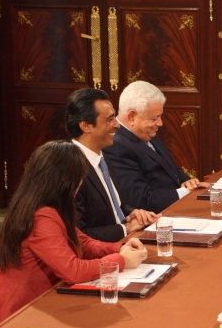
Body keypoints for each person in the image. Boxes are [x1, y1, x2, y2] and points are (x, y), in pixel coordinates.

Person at [0, 141, 148, 328]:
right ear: (64, 181)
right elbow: (72, 271)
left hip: (39, 303)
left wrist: (119, 248)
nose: (81, 182)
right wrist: (119, 261)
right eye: (79, 177)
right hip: (14, 315)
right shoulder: (41, 216)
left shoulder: (49, 205)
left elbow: (82, 242)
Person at [65, 88, 159, 242]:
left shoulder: (103, 157)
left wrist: (132, 213)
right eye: (109, 119)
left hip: (127, 241)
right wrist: (125, 229)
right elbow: (78, 235)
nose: (117, 125)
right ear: (86, 126)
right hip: (106, 251)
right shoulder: (70, 169)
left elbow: (115, 206)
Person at [104, 81, 209, 213]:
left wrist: (188, 182)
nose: (160, 123)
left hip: (177, 207)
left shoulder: (146, 131)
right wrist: (185, 192)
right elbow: (140, 200)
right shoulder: (116, 146)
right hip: (157, 217)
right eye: (154, 118)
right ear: (132, 116)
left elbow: (170, 168)